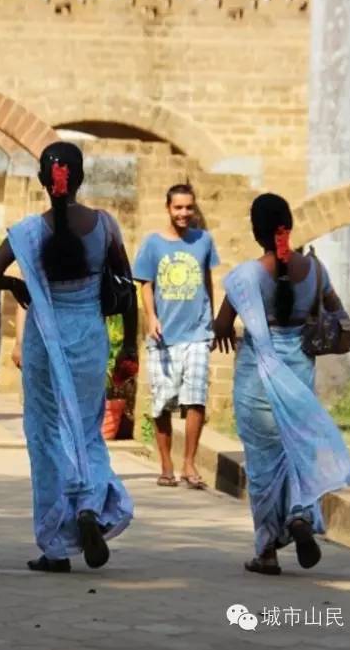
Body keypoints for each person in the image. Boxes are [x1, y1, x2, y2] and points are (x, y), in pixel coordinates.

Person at [0, 141, 136, 573]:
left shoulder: (28, 232)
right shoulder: (105, 227)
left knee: (47, 434)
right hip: (89, 336)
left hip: (44, 344)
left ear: (43, 182)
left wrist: (17, 287)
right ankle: (89, 506)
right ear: (79, 178)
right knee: (87, 427)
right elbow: (126, 287)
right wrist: (128, 346)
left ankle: (55, 545)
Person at [214, 193, 350, 575]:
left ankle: (266, 552)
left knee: (263, 468)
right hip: (298, 379)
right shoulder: (315, 271)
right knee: (296, 456)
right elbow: (338, 314)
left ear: (255, 230)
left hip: (256, 382)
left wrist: (233, 328)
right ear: (288, 225)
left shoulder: (245, 276)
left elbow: (222, 326)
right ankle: (299, 515)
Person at [133, 183, 219, 489]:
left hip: (197, 331)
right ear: (168, 208)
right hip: (163, 336)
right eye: (178, 207)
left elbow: (207, 280)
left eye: (189, 207)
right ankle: (167, 464)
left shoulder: (204, 241)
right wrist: (151, 317)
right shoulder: (153, 244)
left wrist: (213, 320)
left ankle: (189, 464)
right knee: (162, 402)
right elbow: (145, 283)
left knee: (196, 399)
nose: (184, 213)